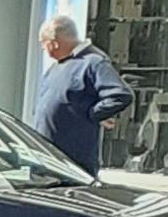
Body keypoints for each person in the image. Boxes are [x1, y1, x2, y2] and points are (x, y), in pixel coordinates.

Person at [27, 14, 132, 173]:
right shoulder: (56, 67)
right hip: (47, 158)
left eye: (43, 43)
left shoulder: (93, 62)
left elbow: (120, 95)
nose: (42, 48)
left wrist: (93, 113)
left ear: (54, 43)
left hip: (73, 162)